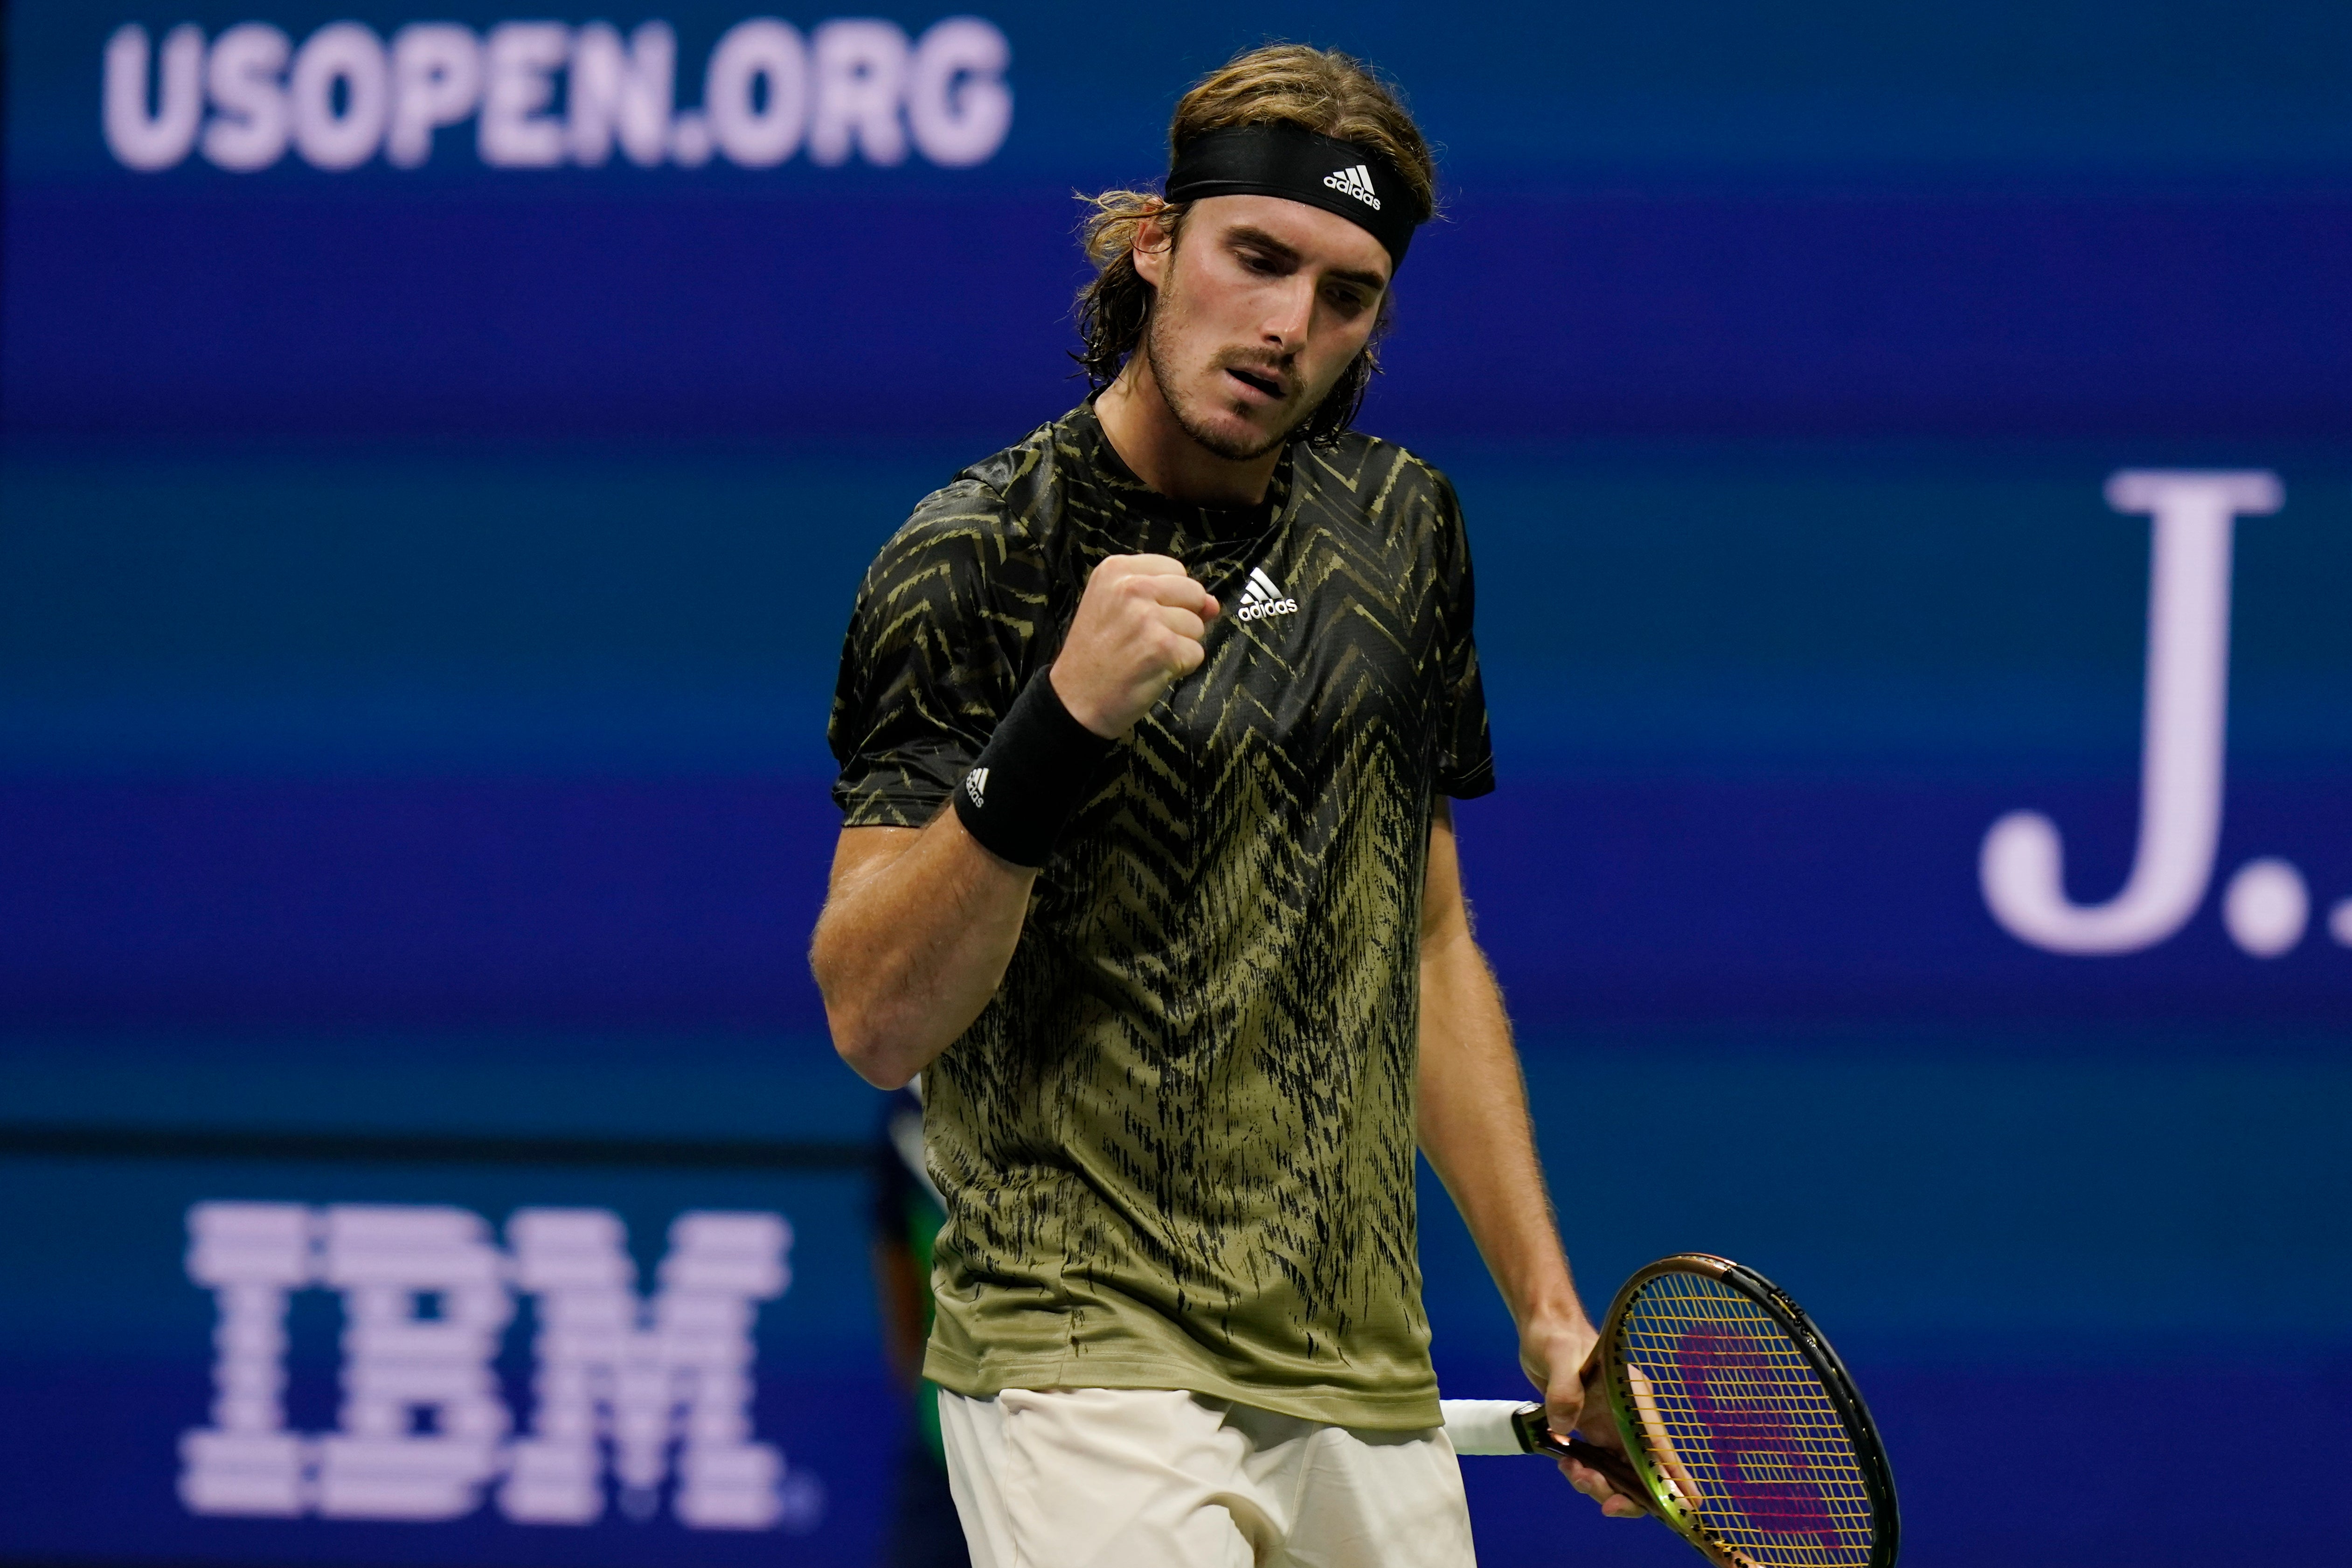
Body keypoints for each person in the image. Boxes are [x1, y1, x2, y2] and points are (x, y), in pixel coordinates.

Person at [812, 42, 1639, 1568]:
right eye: (1256, 258)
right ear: (1155, 243)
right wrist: (1055, 725)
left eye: (1345, 292)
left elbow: (1431, 942)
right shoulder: (971, 555)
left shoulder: (1402, 531)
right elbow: (873, 1017)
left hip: (1361, 1371)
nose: (1286, 326)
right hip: (1083, 1367)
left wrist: (1544, 1309)